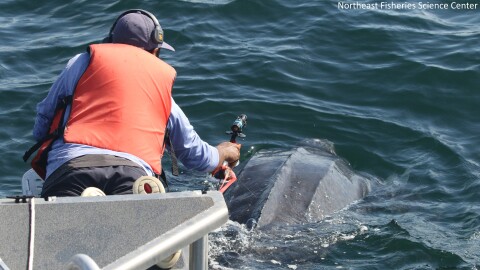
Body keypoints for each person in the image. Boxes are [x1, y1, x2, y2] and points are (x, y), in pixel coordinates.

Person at [28, 9, 240, 197]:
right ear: (155, 51)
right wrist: (223, 152)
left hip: (71, 169)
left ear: (110, 42)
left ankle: (90, 198)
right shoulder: (159, 89)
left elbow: (44, 120)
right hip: (133, 174)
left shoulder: (81, 63)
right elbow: (194, 155)